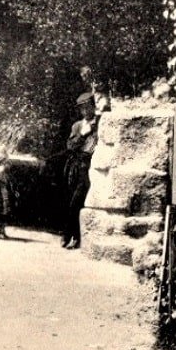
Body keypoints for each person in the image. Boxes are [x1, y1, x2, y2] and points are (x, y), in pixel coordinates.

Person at [63, 92, 97, 250]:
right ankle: (68, 234)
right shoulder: (77, 126)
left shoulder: (100, 124)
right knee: (71, 201)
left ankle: (75, 237)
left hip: (90, 166)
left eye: (87, 107)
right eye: (82, 108)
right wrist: (82, 135)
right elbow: (70, 146)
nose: (85, 111)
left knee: (77, 202)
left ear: (93, 106)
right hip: (76, 166)